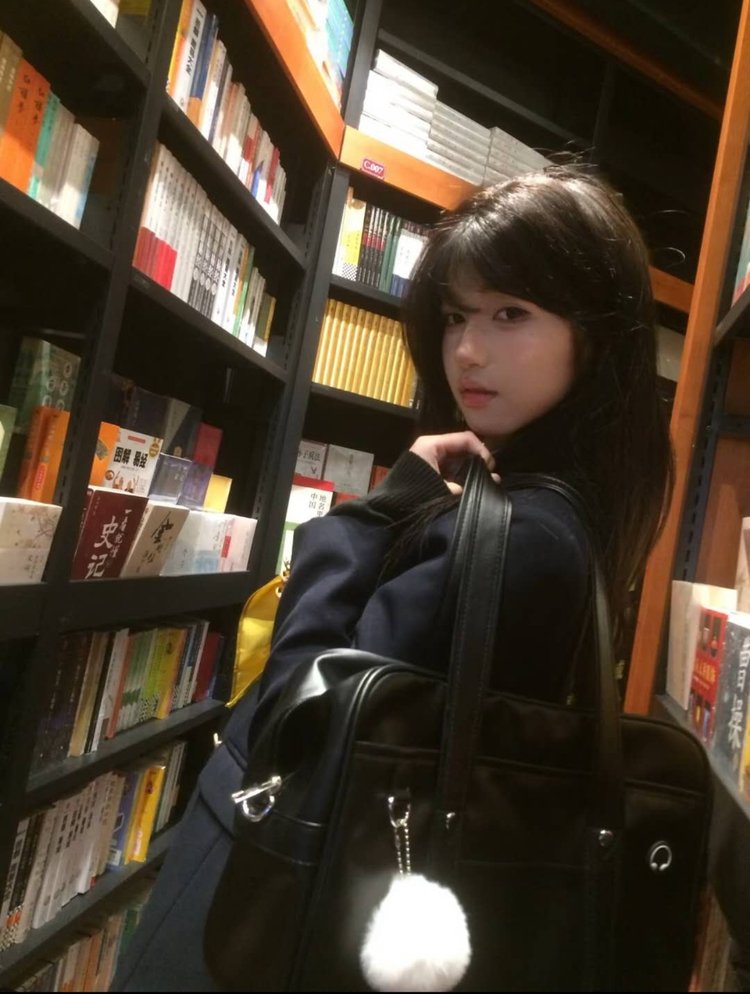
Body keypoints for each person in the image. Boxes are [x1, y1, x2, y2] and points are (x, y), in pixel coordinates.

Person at [110, 164, 673, 992]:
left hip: (278, 912)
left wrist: (372, 516)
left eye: (510, 313)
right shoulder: (550, 513)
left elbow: (298, 713)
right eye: (456, 316)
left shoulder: (525, 538)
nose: (467, 351)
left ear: (593, 338)